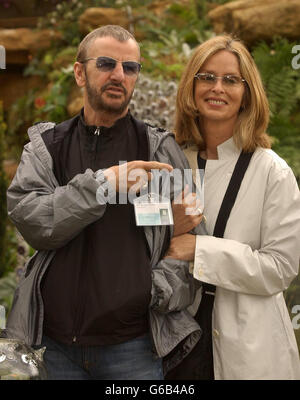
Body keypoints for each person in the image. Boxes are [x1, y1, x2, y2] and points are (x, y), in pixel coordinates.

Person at [5, 25, 205, 380]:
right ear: (80, 72)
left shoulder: (158, 150)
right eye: (107, 63)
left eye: (130, 68)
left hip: (134, 348)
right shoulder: (46, 148)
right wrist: (103, 186)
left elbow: (191, 239)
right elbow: (33, 221)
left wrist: (152, 291)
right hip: (55, 348)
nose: (119, 75)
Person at [165, 34, 300, 380]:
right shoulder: (173, 163)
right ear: (191, 87)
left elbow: (281, 268)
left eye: (230, 80)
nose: (217, 88)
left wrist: (200, 250)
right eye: (206, 77)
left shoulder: (271, 170)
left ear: (246, 95)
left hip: (250, 349)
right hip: (178, 343)